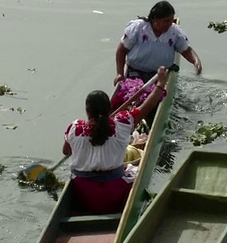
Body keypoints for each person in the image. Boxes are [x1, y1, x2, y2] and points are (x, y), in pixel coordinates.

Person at [63, 67, 169, 214]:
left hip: (83, 192)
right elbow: (147, 107)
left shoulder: (74, 128)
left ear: (87, 111)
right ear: (109, 109)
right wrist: (160, 84)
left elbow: (66, 151)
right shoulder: (123, 122)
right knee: (136, 170)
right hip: (115, 192)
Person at [113, 0, 202, 86]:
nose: (170, 24)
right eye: (166, 21)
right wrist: (120, 74)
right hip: (135, 71)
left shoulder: (175, 32)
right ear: (155, 19)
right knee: (134, 93)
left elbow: (186, 50)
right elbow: (121, 50)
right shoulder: (138, 28)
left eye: (171, 20)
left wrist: (196, 61)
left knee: (154, 96)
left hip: (161, 75)